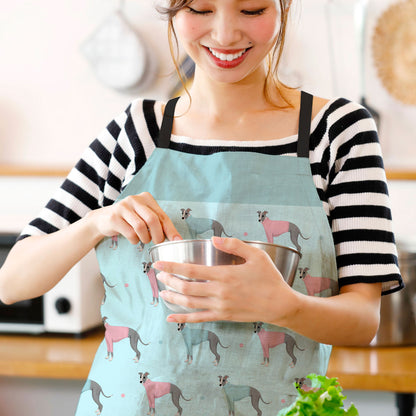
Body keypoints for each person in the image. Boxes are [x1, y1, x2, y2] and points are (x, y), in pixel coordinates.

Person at [0, 0, 403, 414]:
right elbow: (12, 282)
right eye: (200, 9)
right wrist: (95, 222)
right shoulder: (136, 132)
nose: (226, 34)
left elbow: (362, 320)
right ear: (172, 10)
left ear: (283, 7)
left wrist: (283, 306)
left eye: (252, 10)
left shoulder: (338, 133)